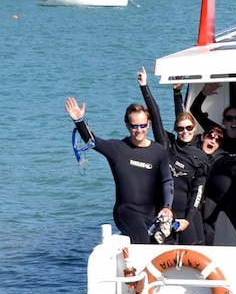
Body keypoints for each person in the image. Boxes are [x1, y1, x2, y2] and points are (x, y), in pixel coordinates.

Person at [64, 96, 173, 244]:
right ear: (128, 126)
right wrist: (79, 121)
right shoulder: (118, 149)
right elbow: (93, 142)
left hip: (151, 212)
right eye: (134, 126)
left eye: (142, 125)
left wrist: (166, 207)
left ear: (149, 124)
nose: (139, 130)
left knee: (170, 242)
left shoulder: (158, 151)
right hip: (126, 212)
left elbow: (167, 181)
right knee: (142, 238)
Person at [138, 69, 208, 244]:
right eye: (180, 129)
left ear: (194, 128)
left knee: (196, 255)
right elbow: (155, 115)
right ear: (176, 131)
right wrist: (144, 86)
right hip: (165, 212)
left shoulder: (200, 157)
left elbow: (197, 192)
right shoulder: (167, 145)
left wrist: (188, 219)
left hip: (187, 215)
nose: (184, 132)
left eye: (189, 128)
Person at [190, 83, 236, 245]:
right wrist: (203, 93)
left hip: (233, 198)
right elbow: (195, 111)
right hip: (210, 196)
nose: (233, 121)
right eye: (229, 118)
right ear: (223, 122)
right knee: (207, 235)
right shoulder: (216, 135)